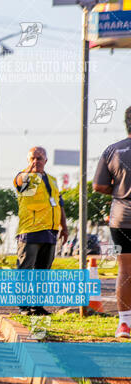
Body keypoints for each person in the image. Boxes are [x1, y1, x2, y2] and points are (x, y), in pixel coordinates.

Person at [14, 146, 68, 316]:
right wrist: (29, 170)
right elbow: (20, 182)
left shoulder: (52, 180)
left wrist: (64, 227)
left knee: (42, 272)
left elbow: (59, 204)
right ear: (28, 161)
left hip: (50, 232)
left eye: (39, 158)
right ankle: (23, 307)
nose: (36, 161)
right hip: (30, 231)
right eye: (32, 158)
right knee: (25, 270)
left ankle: (37, 306)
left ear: (46, 160)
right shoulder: (24, 178)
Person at [93, 105, 131, 338]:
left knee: (125, 269)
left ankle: (125, 324)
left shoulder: (113, 150)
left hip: (122, 219)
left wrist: (120, 191)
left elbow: (98, 185)